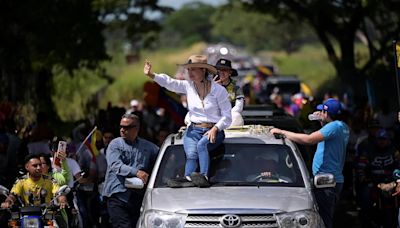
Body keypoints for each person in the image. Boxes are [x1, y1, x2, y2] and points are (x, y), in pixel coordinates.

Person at [144, 55, 232, 187]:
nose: (189, 73)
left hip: (214, 131)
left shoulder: (219, 90)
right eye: (188, 69)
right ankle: (188, 178)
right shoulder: (188, 86)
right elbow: (170, 83)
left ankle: (204, 176)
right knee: (191, 155)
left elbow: (227, 116)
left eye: (193, 69)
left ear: (203, 70)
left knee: (202, 145)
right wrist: (151, 75)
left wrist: (215, 129)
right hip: (193, 131)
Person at [270, 98, 349, 228]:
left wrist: (282, 132)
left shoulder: (333, 127)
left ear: (325, 112)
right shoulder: (342, 126)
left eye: (321, 111)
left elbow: (309, 140)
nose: (319, 113)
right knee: (325, 216)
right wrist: (322, 122)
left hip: (326, 181)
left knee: (324, 219)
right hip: (330, 180)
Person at [102, 113, 159, 228]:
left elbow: (163, 157)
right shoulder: (115, 144)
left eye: (126, 127)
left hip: (138, 198)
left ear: (136, 128)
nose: (122, 130)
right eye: (121, 127)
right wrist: (137, 172)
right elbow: (115, 165)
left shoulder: (148, 147)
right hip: (118, 196)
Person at [1, 153, 68, 209]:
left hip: (47, 216)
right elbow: (13, 195)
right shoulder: (21, 181)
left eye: (40, 165)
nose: (39, 168)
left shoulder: (50, 180)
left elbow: (59, 193)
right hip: (26, 216)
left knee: (60, 223)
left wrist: (62, 200)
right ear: (27, 167)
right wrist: (8, 202)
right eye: (35, 166)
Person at [213, 58, 244, 126]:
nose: (221, 73)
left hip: (230, 118)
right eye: (219, 70)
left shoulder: (236, 88)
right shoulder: (210, 86)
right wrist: (212, 87)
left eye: (224, 70)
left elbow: (239, 106)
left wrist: (229, 114)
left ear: (230, 73)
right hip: (214, 117)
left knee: (236, 116)